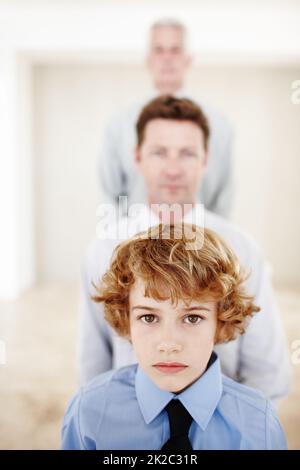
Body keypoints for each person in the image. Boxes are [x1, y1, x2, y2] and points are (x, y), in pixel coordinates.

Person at [79, 96, 291, 403]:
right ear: (137, 157)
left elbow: (268, 370)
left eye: (187, 153)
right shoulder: (102, 250)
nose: (173, 169)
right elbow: (92, 363)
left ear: (205, 159)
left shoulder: (242, 248)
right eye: (160, 152)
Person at [63, 224, 287, 450]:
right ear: (126, 319)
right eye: (149, 318)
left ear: (221, 323)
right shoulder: (88, 414)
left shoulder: (258, 424)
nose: (169, 344)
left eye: (192, 318)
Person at [99, 19, 233, 218]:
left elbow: (223, 196)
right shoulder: (118, 124)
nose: (167, 59)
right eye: (159, 50)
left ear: (188, 59)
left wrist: (210, 243)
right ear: (148, 59)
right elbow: (110, 193)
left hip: (198, 241)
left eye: (175, 50)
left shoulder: (219, 125)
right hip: (135, 240)